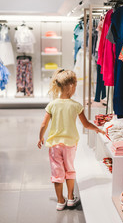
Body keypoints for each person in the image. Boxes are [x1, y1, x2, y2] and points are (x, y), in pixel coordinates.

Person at [37, 69, 106, 211]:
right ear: (72, 87)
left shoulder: (52, 105)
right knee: (70, 170)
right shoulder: (76, 105)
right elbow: (86, 124)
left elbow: (44, 124)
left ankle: (60, 201)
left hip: (55, 145)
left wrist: (40, 138)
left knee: (57, 172)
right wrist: (97, 129)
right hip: (70, 145)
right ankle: (70, 198)